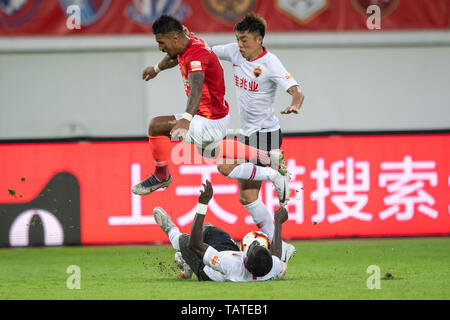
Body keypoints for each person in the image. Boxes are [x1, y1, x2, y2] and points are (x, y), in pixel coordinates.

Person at [150, 13, 303, 274]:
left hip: (266, 133)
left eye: (244, 40)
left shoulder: (271, 63)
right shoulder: (234, 52)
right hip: (246, 133)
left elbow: (296, 90)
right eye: (237, 40)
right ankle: (283, 246)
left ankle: (274, 175)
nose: (240, 45)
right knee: (247, 197)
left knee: (224, 166)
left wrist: (294, 105)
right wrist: (184, 40)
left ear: (259, 39)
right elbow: (202, 50)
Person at [133, 14, 291, 206]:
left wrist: (186, 118)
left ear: (175, 38)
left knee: (157, 126)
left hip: (209, 120)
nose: (159, 47)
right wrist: (156, 69)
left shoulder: (196, 55)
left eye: (161, 42)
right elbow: (173, 56)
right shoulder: (188, 42)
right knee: (220, 159)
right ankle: (269, 164)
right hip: (214, 117)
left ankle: (161, 175)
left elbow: (196, 88)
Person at [153, 180, 289, 281]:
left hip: (209, 271)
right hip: (231, 253)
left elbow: (195, 245)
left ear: (246, 260)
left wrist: (203, 204)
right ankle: (186, 260)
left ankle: (171, 232)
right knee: (207, 229)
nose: (255, 244)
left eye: (253, 247)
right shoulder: (269, 268)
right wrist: (278, 222)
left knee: (185, 241)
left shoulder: (229, 265)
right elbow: (276, 255)